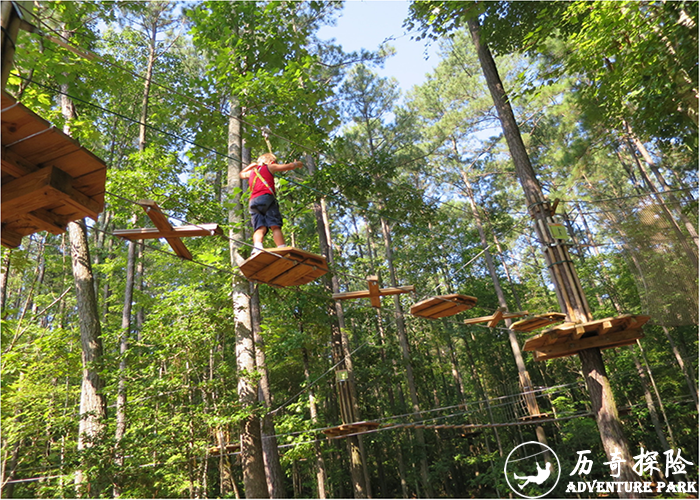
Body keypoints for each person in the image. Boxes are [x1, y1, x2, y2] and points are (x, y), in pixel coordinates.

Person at [239, 153, 303, 255]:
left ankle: (257, 247)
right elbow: (288, 166)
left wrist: (252, 165)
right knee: (275, 225)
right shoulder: (270, 166)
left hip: (254, 201)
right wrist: (297, 164)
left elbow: (241, 174)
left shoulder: (252, 172)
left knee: (260, 227)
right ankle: (281, 247)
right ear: (271, 162)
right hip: (266, 197)